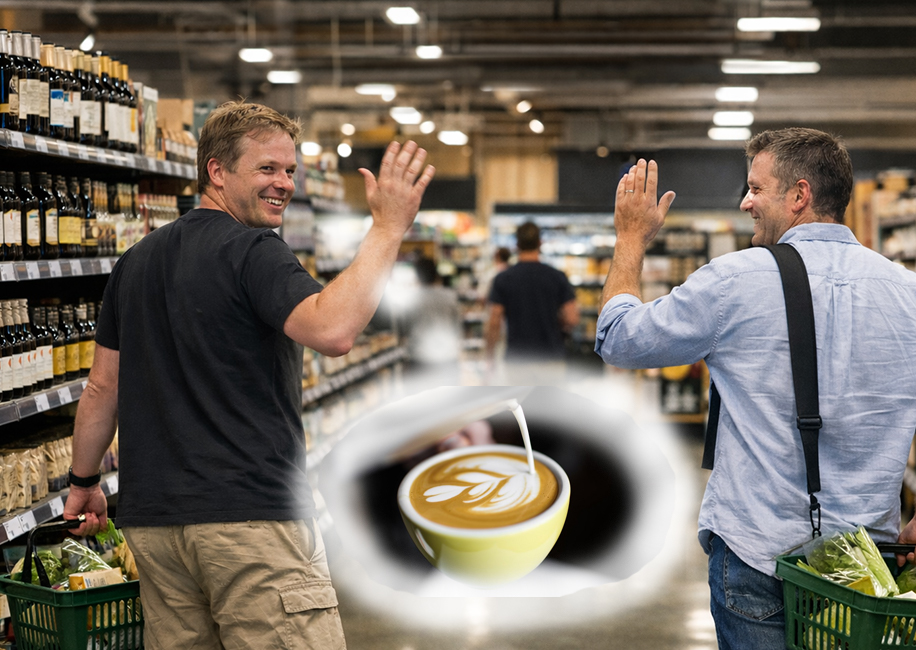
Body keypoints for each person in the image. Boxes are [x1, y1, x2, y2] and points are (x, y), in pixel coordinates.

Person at [64, 100, 434, 649]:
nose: (283, 183)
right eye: (267, 168)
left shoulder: (136, 261)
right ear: (217, 171)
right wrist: (387, 228)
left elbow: (103, 387)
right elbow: (333, 331)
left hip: (156, 527)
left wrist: (83, 483)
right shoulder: (255, 251)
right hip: (249, 524)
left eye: (289, 170)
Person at [594, 127, 916, 650]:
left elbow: (620, 338)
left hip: (758, 554)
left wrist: (630, 240)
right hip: (864, 564)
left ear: (799, 195)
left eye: (756, 188)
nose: (745, 201)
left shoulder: (734, 281)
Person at [486, 222, 579, 382]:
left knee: (520, 407)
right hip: (551, 358)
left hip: (518, 359)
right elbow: (572, 318)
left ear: (517, 245)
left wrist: (490, 357)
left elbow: (494, 321)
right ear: (539, 243)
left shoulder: (503, 279)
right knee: (550, 407)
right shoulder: (557, 276)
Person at [403, 255, 462, 380]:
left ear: (417, 275)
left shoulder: (411, 299)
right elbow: (457, 327)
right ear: (436, 274)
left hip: (420, 359)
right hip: (447, 358)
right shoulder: (450, 296)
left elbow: (405, 330)